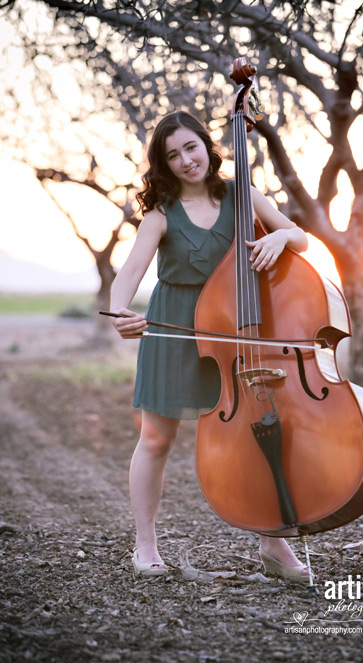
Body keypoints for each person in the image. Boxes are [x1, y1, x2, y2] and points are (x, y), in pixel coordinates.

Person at [109, 111, 310, 581]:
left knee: (255, 437)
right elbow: (127, 280)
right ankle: (144, 547)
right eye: (172, 155)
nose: (185, 160)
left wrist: (279, 236)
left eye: (191, 148)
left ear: (207, 145)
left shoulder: (242, 194)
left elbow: (302, 237)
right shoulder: (160, 216)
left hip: (236, 335)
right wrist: (122, 315)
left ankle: (274, 546)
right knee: (156, 439)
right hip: (174, 332)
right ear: (164, 164)